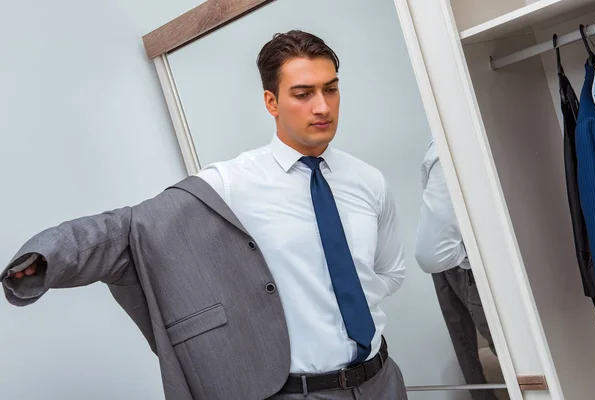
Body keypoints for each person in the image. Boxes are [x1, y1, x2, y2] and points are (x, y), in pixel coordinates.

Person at [2, 30, 407, 400]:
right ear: (272, 102)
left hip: (384, 381)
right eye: (303, 94)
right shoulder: (231, 184)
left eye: (331, 89)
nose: (322, 106)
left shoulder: (368, 181)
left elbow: (388, 273)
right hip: (299, 393)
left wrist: (328, 297)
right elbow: (128, 230)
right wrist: (47, 258)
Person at [414, 140, 499, 400]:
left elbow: (430, 253)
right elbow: (430, 255)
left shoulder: (444, 147)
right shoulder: (447, 148)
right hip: (469, 264)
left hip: (466, 261)